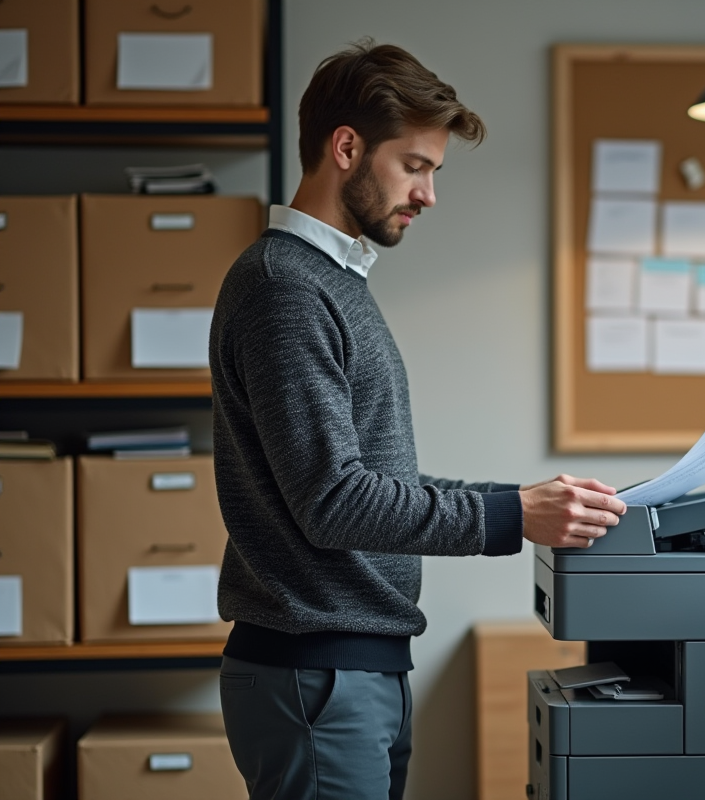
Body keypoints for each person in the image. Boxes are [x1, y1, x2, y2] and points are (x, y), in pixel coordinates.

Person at [208, 40, 626, 800]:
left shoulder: (330, 284)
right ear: (347, 148)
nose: (428, 194)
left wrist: (525, 502)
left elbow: (374, 481)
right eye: (416, 166)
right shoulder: (285, 291)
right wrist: (511, 516)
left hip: (348, 668)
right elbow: (335, 502)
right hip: (317, 673)